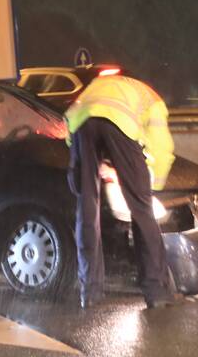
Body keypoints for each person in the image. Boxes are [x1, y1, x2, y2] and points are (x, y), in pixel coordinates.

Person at [65, 72, 176, 309]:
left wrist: (96, 164)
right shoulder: (153, 100)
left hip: (82, 127)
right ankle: (156, 289)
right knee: (141, 209)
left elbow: (71, 123)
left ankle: (90, 291)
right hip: (120, 126)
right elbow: (162, 148)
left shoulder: (99, 85)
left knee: (87, 207)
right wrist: (151, 186)